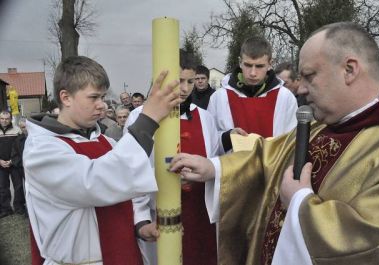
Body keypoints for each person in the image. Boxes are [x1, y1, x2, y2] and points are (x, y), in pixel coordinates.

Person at [170, 22, 379, 265]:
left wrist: (300, 202)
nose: (300, 88)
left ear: (350, 70)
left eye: (310, 76)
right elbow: (269, 156)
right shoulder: (320, 125)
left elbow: (373, 242)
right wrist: (214, 168)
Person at [24, 55, 181, 265]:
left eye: (103, 97)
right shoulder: (42, 149)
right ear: (66, 97)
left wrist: (140, 226)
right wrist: (148, 120)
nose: (102, 105)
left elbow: (128, 191)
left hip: (124, 254)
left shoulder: (107, 141)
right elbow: (94, 183)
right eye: (93, 97)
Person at [124, 50, 221, 265]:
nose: (185, 89)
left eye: (190, 81)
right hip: (160, 215)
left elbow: (213, 161)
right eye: (179, 81)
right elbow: (131, 175)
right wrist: (141, 221)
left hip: (200, 216)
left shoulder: (205, 118)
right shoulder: (139, 118)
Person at [207, 36, 298, 152]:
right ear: (240, 62)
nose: (253, 73)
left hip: (273, 169)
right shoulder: (219, 97)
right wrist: (227, 137)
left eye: (259, 66)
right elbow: (208, 141)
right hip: (232, 168)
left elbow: (293, 142)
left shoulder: (285, 98)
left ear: (270, 64)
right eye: (248, 65)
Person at [0, 110, 25, 218]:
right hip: (1, 164)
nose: (4, 121)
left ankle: (19, 207)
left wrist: (12, 160)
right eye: (2, 118)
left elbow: (20, 148)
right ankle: (6, 209)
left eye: (7, 119)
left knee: (18, 186)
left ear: (10, 119)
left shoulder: (17, 130)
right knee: (2, 187)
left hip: (14, 163)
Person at [10, 117, 28, 215]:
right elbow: (14, 155)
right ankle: (22, 207)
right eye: (21, 127)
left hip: (34, 169)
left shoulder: (37, 138)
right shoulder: (18, 140)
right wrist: (21, 164)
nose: (23, 129)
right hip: (22, 168)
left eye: (25, 127)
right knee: (21, 188)